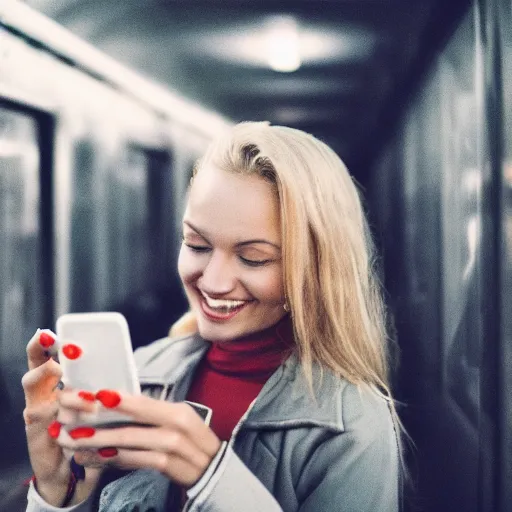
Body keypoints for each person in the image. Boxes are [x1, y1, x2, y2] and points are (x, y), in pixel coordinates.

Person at [23, 121, 402, 512]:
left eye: (253, 258)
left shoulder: (351, 429)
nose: (214, 282)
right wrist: (55, 493)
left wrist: (212, 477)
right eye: (197, 244)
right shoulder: (143, 374)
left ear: (314, 269)